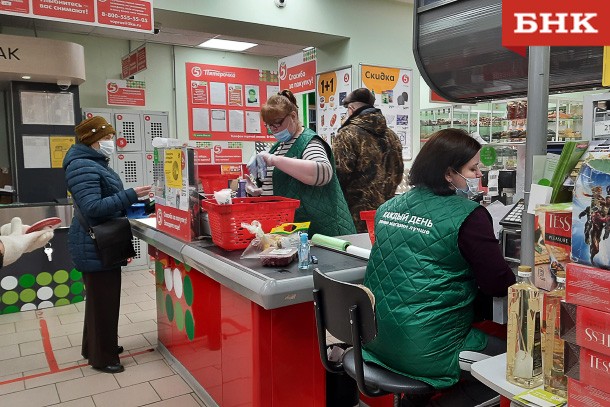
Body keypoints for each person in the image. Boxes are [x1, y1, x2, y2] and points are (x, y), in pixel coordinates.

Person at [361, 129, 516, 401]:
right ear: (448, 174)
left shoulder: (387, 208)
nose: (479, 175)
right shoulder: (469, 216)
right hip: (430, 350)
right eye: (472, 168)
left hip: (378, 340)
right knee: (518, 361)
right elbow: (497, 284)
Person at [63, 116, 151, 374]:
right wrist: (131, 194)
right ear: (92, 140)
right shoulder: (83, 166)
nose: (111, 142)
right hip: (94, 243)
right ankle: (103, 358)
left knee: (99, 300)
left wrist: (137, 202)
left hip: (96, 242)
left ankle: (95, 347)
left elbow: (106, 199)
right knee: (104, 301)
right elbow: (93, 207)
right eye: (107, 138)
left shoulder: (90, 162)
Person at [248, 89, 355, 237]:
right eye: (269, 125)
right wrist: (257, 191)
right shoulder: (278, 146)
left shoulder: (309, 141)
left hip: (321, 232)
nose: (274, 130)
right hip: (296, 231)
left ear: (293, 116)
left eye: (277, 124)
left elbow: (322, 173)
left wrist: (274, 160)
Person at [332, 88, 404, 233]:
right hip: (386, 213)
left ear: (351, 109)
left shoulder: (347, 134)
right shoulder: (392, 136)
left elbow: (338, 178)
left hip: (354, 217)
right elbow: (398, 173)